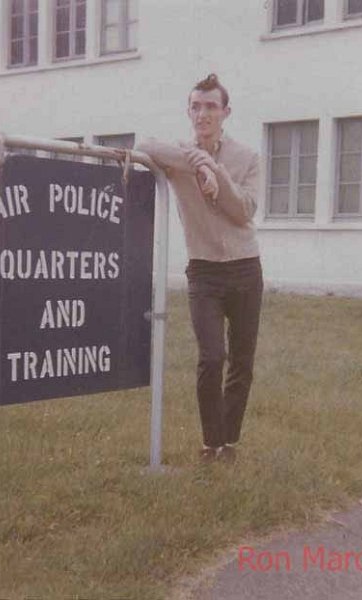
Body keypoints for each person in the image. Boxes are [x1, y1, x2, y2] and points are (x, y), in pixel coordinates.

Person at [135, 73, 263, 464]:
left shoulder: (247, 158)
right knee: (211, 356)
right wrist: (198, 160)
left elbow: (243, 211)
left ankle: (228, 442)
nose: (203, 113)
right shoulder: (180, 155)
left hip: (244, 269)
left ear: (226, 112)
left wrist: (215, 171)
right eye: (196, 106)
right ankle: (212, 443)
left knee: (242, 361)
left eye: (211, 106)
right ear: (188, 112)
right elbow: (143, 146)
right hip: (204, 272)